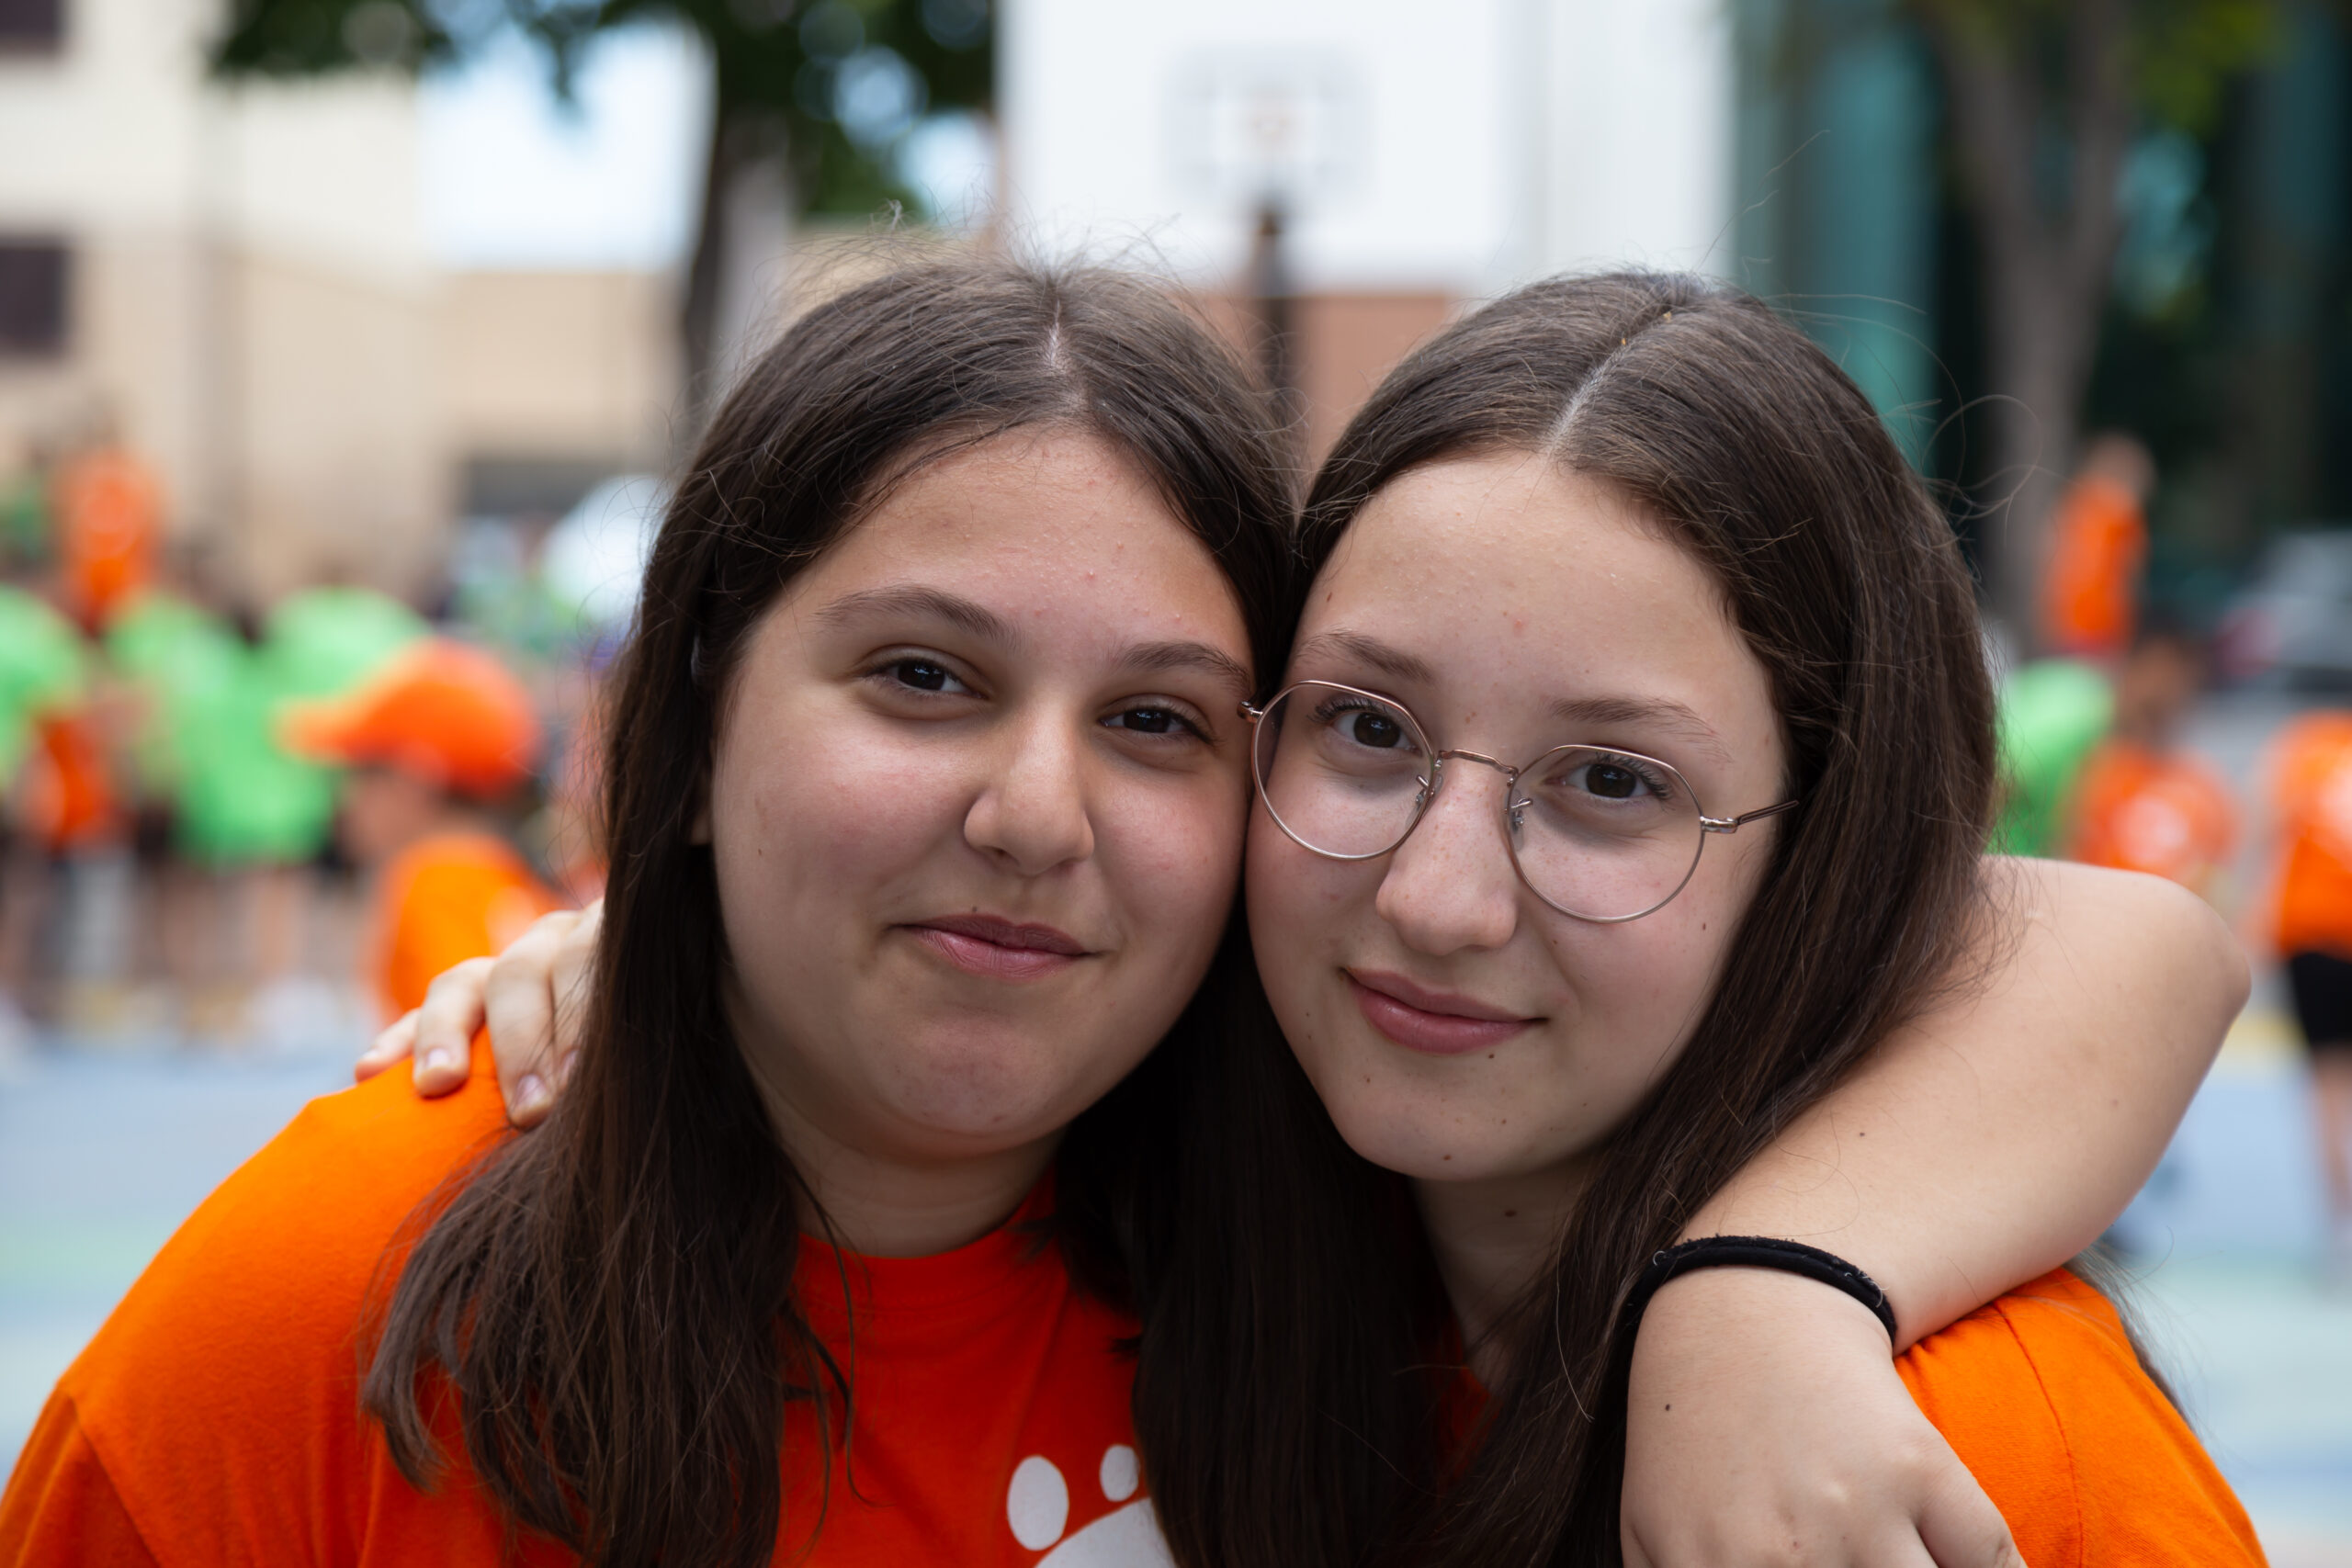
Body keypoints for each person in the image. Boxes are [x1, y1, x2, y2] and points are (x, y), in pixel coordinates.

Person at [2, 264, 2244, 1568]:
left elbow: (2108, 935)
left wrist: (1765, 1292)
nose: (1030, 812)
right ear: (689, 714)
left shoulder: (1905, 1435)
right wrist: (668, 944)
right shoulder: (359, 1285)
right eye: (1363, 730)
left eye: (1610, 782)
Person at [279, 637, 560, 1021]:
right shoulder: (503, 875)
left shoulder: (432, 882)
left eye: (359, 772)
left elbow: (473, 1030)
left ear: (413, 779)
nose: (344, 798)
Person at [2262, 707, 2352, 1276]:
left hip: (2313, 934)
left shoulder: (2307, 745)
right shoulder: (2307, 744)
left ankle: (2340, 1226)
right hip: (2319, 930)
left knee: (2327, 1086)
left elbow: (2273, 831)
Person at [2064, 620, 2238, 898]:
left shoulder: (2207, 791)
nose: (2162, 688)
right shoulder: (2093, 772)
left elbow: (2216, 886)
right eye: (2153, 675)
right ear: (2128, 675)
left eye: (2175, 679)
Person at [2039, 431, 2154, 660]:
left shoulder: (2072, 505)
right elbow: (2131, 575)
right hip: (2102, 627)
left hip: (2065, 625)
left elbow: (2050, 563)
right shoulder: (2123, 516)